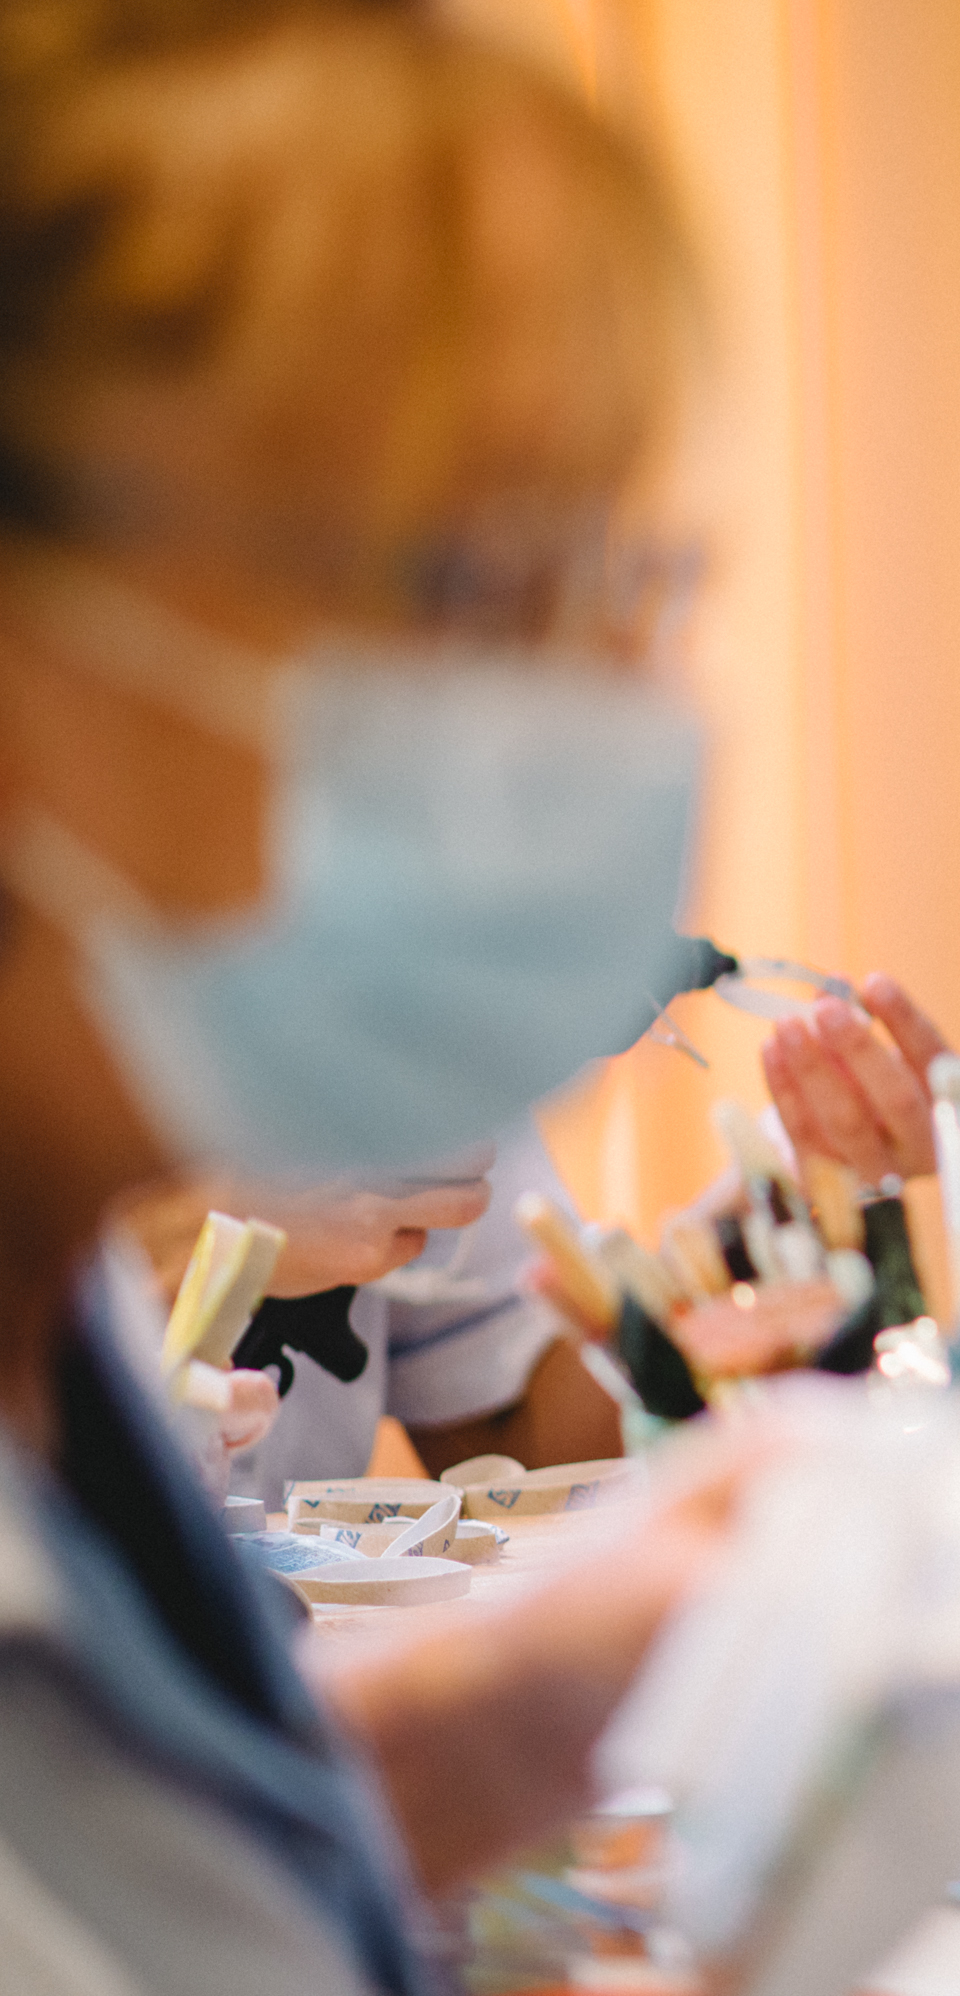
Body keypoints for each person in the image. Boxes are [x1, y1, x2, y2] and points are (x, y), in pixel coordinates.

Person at [0, 3, 763, 1989]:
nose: (592, 714)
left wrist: (528, 1695)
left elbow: (132, 1851)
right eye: (465, 588)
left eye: (612, 582)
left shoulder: (58, 1338)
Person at [117, 1124, 623, 1495]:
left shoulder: (407, 1035)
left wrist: (663, 1351)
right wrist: (193, 1229)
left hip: (294, 1617)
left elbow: (504, 1433)